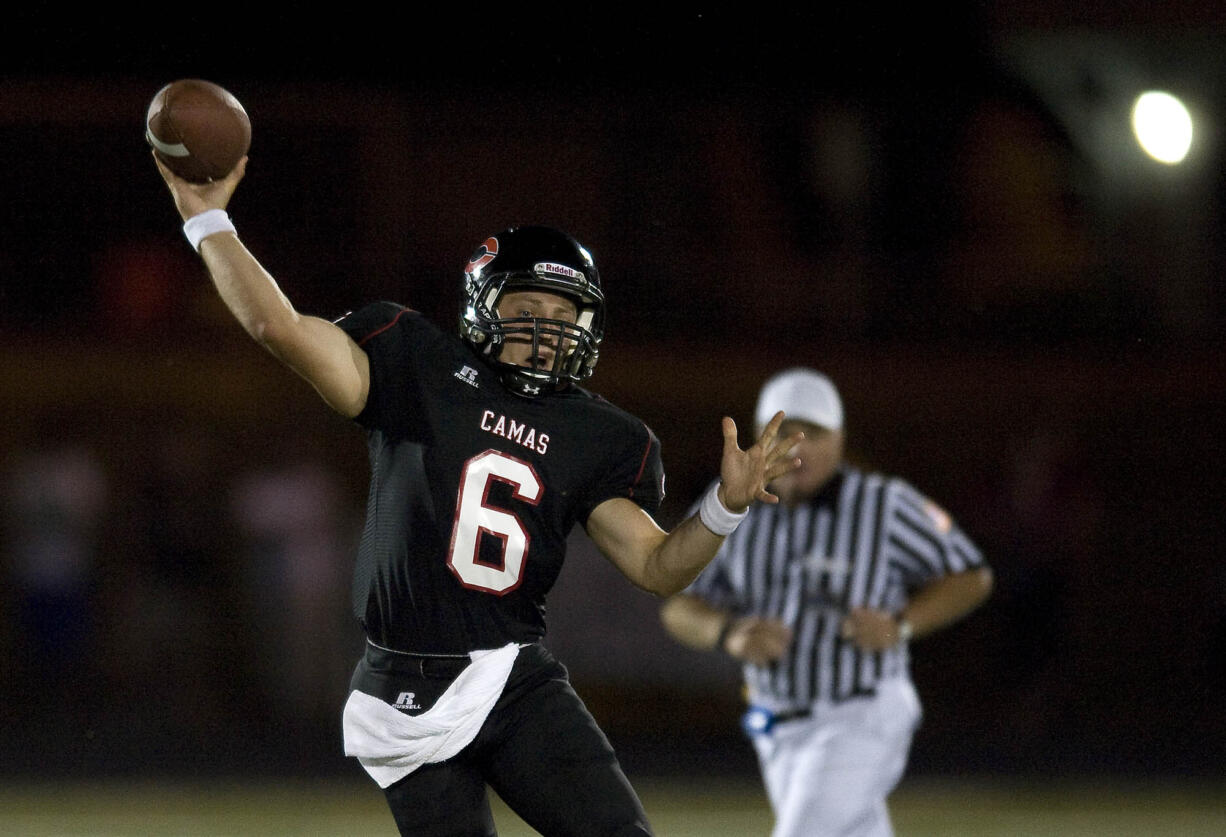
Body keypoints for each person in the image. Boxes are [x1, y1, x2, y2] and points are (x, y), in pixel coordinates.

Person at [152, 152, 803, 836]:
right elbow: (277, 326)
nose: (549, 329)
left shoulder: (597, 434)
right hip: (402, 688)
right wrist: (207, 218)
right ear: (484, 307)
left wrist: (724, 507)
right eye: (529, 309)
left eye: (566, 312)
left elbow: (657, 566)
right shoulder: (417, 362)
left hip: (512, 675)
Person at [659, 367, 993, 837]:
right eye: (784, 431)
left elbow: (970, 574)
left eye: (813, 432)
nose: (798, 445)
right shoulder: (729, 504)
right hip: (775, 723)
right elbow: (678, 603)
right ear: (759, 438)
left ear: (839, 439)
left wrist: (901, 625)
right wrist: (729, 633)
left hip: (861, 712)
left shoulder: (884, 503)